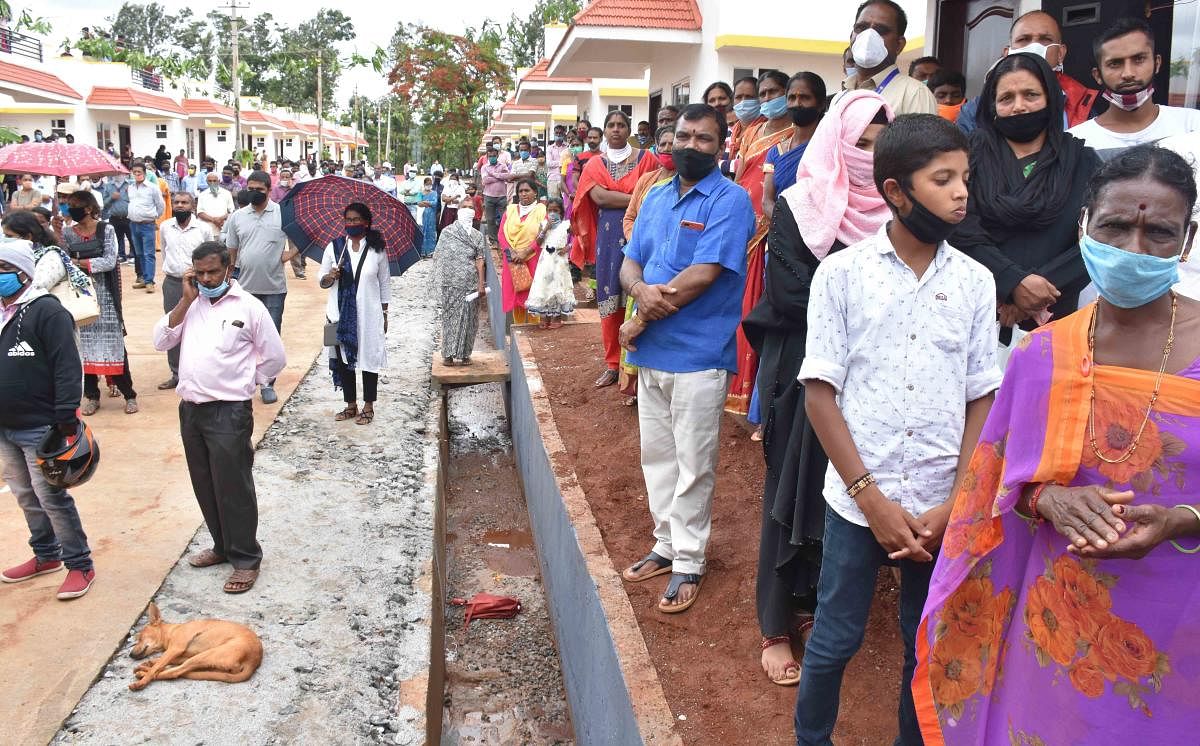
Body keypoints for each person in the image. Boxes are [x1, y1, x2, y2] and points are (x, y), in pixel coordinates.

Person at [913, 143, 1200, 744]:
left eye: (1160, 233)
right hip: (1058, 624)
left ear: (1190, 239)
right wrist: (1046, 499)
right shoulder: (1044, 352)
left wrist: (1180, 520)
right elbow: (996, 483)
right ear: (1084, 227)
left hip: (1184, 629)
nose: (1133, 250)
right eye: (1115, 226)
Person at [794, 114, 1000, 746]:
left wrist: (956, 500)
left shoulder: (975, 282)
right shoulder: (842, 274)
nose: (961, 192)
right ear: (896, 191)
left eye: (965, 176)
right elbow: (820, 394)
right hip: (859, 504)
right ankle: (812, 739)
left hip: (942, 504)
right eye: (943, 179)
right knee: (834, 638)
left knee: (924, 643)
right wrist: (871, 498)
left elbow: (981, 397)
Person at [743, 90, 893, 687]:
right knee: (792, 487)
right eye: (862, 142)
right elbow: (790, 294)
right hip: (806, 367)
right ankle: (777, 621)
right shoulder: (800, 205)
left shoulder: (899, 209)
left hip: (872, 374)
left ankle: (820, 604)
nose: (871, 155)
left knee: (853, 488)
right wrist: (869, 318)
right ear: (837, 140)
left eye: (883, 145)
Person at [616, 103, 755, 614]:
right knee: (657, 458)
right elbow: (632, 260)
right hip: (651, 351)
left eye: (702, 139)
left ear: (721, 147)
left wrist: (643, 312)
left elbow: (704, 275)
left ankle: (690, 560)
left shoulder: (731, 200)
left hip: (698, 353)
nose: (690, 146)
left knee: (695, 464)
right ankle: (665, 544)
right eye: (682, 136)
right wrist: (638, 291)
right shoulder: (654, 196)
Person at [153, 241, 285, 594]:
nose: (208, 279)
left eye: (214, 272)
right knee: (205, 482)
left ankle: (245, 558)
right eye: (201, 273)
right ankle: (221, 546)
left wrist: (247, 383)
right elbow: (160, 341)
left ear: (229, 268)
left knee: (233, 486)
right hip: (191, 410)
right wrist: (184, 299)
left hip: (229, 412)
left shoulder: (250, 308)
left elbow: (274, 358)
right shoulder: (190, 305)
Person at [950, 52, 1101, 335]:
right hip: (975, 310)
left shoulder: (1083, 162)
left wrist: (1032, 294)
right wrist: (1010, 282)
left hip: (1055, 314)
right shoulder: (966, 155)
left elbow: (1096, 238)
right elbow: (958, 226)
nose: (1019, 106)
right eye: (1006, 98)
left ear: (1051, 99)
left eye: (1031, 94)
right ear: (992, 106)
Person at [0, 239, 95, 600]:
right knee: (25, 495)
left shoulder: (48, 311)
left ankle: (79, 564)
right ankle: (45, 555)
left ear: (24, 273)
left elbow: (68, 367)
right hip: (4, 424)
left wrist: (65, 418)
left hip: (41, 426)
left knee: (52, 497)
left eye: (3, 269)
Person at [571, 110, 659, 388]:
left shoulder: (648, 159)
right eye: (611, 125)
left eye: (622, 125)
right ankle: (612, 363)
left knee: (640, 292)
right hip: (609, 238)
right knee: (610, 297)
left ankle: (637, 362)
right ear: (605, 130)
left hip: (642, 234)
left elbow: (655, 193)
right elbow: (599, 197)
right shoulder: (595, 164)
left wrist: (618, 198)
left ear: (629, 129)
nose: (616, 130)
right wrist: (636, 197)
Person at [727, 70, 797, 416]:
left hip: (769, 231)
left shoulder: (795, 135)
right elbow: (740, 175)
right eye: (764, 93)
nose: (768, 99)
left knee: (755, 308)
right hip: (741, 225)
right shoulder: (753, 130)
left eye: (775, 92)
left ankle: (751, 395)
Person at [958, 10, 1100, 135]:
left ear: (1060, 53)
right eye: (1023, 39)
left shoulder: (1082, 103)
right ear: (1007, 53)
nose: (1034, 46)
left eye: (1045, 39)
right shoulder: (975, 110)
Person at [1069, 17, 1200, 152]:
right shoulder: (1075, 142)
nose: (1128, 73)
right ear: (1097, 75)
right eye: (1115, 63)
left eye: (1139, 59)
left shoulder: (1193, 126)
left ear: (1157, 63)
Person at [61, 191, 138, 415]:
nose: (69, 208)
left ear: (87, 208)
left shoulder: (106, 229)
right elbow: (62, 260)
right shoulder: (66, 232)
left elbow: (109, 260)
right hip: (79, 297)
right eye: (67, 204)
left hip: (105, 296)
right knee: (83, 347)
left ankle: (129, 394)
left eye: (73, 205)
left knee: (114, 345)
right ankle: (92, 396)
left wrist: (77, 261)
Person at [224, 170, 294, 404]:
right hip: (245, 288)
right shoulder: (238, 217)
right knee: (242, 336)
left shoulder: (283, 214)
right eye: (250, 189)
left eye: (259, 190)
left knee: (270, 338)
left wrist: (290, 255)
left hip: (275, 288)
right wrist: (228, 276)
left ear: (268, 189)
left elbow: (301, 239)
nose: (254, 193)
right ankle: (243, 380)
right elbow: (232, 249)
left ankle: (267, 384)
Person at [318, 203, 390, 425]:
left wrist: (385, 312)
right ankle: (350, 404)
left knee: (369, 358)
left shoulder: (377, 249)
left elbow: (384, 283)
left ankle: (369, 406)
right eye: (348, 220)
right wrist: (331, 276)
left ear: (366, 222)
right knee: (342, 359)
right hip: (336, 314)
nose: (352, 224)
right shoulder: (335, 248)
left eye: (356, 219)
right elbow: (321, 281)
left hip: (369, 314)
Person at [837, 1, 937, 115]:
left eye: (881, 30)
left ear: (899, 45)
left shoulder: (915, 94)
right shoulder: (842, 94)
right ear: (851, 37)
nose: (868, 36)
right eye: (861, 27)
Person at [158, 191, 213, 390]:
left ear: (193, 205)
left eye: (184, 202)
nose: (180, 206)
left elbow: (210, 255)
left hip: (199, 284)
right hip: (173, 283)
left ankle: (201, 372)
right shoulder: (165, 227)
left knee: (202, 325)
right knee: (173, 327)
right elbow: (165, 252)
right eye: (177, 202)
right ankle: (176, 373)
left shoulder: (203, 229)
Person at [435, 202, 486, 366]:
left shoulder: (477, 236)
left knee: (469, 319)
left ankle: (465, 354)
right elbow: (440, 258)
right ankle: (448, 354)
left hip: (470, 283)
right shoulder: (447, 232)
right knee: (450, 318)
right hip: (450, 283)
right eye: (464, 206)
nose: (467, 209)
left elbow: (480, 260)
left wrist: (480, 284)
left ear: (475, 212)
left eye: (471, 206)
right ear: (458, 210)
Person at [499, 179, 546, 324]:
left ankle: (533, 330)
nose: (523, 194)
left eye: (527, 190)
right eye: (520, 191)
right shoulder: (510, 210)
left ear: (535, 193)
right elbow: (501, 234)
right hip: (512, 260)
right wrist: (511, 253)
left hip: (532, 258)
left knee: (532, 296)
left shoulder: (541, 210)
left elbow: (543, 234)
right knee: (516, 295)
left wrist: (526, 252)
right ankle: (518, 330)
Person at [526, 198, 576, 329]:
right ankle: (544, 318)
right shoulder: (543, 224)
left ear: (561, 212)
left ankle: (556, 318)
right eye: (550, 210)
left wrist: (568, 246)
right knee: (544, 286)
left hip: (559, 262)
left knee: (558, 286)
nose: (552, 213)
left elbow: (578, 237)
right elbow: (537, 242)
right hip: (545, 261)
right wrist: (546, 228)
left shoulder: (566, 225)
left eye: (556, 210)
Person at [126, 161, 165, 292]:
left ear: (144, 173)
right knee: (139, 253)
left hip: (147, 224)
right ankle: (143, 278)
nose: (137, 175)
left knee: (149, 253)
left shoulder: (152, 187)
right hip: (133, 224)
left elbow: (160, 205)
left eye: (139, 172)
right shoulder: (130, 187)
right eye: (135, 172)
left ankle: (149, 281)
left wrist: (153, 217)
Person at [730, 76, 765, 167]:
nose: (743, 102)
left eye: (749, 97)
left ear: (759, 99)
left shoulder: (765, 131)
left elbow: (751, 162)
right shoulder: (730, 132)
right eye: (738, 97)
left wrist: (721, 164)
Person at [480, 146, 511, 246]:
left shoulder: (502, 165)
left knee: (503, 219)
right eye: (490, 156)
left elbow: (507, 176)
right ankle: (493, 240)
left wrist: (493, 174)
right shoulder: (484, 167)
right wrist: (499, 176)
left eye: (494, 156)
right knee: (490, 219)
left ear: (497, 156)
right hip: (489, 196)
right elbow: (485, 181)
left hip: (502, 196)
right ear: (487, 156)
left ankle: (503, 239)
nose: (492, 157)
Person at [100, 174, 133, 265]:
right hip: (114, 217)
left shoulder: (131, 184)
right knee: (117, 238)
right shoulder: (108, 186)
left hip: (129, 217)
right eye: (116, 173)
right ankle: (121, 255)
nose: (118, 175)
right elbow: (103, 203)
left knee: (131, 237)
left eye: (120, 173)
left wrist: (131, 192)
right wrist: (112, 198)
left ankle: (133, 255)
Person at [197, 171, 236, 237]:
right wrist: (214, 220)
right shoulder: (202, 195)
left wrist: (220, 219)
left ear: (219, 181)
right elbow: (200, 212)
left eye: (214, 181)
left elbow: (232, 211)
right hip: (207, 231)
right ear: (207, 182)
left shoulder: (226, 193)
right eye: (210, 181)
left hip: (222, 229)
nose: (212, 183)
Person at [546, 126, 570, 199]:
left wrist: (558, 162)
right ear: (554, 133)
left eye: (560, 133)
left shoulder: (568, 147)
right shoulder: (549, 148)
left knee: (566, 202)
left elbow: (570, 162)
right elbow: (549, 164)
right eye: (557, 133)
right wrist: (562, 162)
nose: (558, 135)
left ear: (564, 134)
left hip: (565, 179)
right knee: (553, 202)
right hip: (552, 178)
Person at [417, 177, 438, 258]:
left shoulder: (434, 193)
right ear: (424, 184)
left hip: (432, 216)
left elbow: (435, 203)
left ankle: (430, 251)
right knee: (422, 231)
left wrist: (426, 202)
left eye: (430, 184)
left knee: (431, 232)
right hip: (423, 215)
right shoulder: (421, 193)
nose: (429, 186)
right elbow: (419, 203)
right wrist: (428, 204)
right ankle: (422, 251)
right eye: (427, 184)